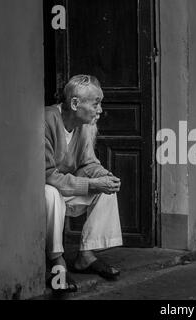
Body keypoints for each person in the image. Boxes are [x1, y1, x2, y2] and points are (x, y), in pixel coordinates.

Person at [45, 75, 123, 292]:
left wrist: (103, 176)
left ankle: (86, 255)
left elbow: (88, 163)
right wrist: (91, 184)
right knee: (50, 192)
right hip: (43, 193)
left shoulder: (83, 125)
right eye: (96, 103)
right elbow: (48, 175)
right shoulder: (47, 120)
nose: (100, 110)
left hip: (68, 189)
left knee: (105, 190)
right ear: (75, 103)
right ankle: (57, 260)